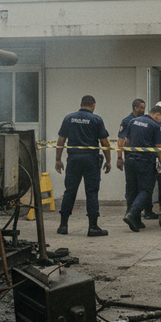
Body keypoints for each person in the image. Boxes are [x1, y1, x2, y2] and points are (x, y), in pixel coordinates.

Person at [55, 95, 112, 236]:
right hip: (90, 160)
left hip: (73, 159)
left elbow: (61, 140)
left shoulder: (69, 118)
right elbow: (105, 143)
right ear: (93, 105)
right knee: (91, 192)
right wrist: (108, 161)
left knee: (70, 191)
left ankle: (63, 226)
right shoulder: (96, 120)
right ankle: (93, 227)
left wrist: (58, 160)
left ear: (81, 104)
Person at [121, 106, 161, 232]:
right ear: (157, 114)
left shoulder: (132, 121)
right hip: (144, 161)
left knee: (132, 189)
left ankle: (135, 220)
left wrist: (126, 157)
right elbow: (159, 147)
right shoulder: (154, 126)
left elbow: (127, 141)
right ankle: (133, 213)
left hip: (130, 160)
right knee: (146, 189)